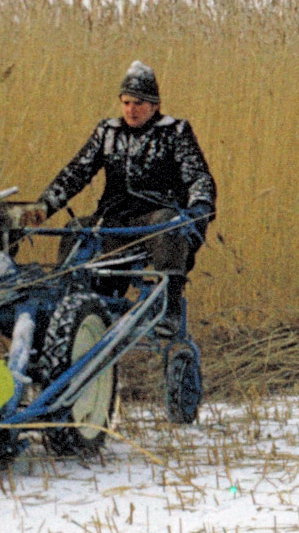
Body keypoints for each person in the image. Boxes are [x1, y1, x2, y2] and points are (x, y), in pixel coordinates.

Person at [18, 61, 216, 335]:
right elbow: (76, 172)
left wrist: (199, 209)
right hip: (113, 219)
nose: (130, 110)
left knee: (169, 224)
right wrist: (44, 206)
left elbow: (198, 177)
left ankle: (168, 307)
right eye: (125, 103)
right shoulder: (108, 133)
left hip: (152, 223)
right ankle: (69, 308)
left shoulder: (174, 133)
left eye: (138, 103)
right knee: (76, 231)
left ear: (155, 105)